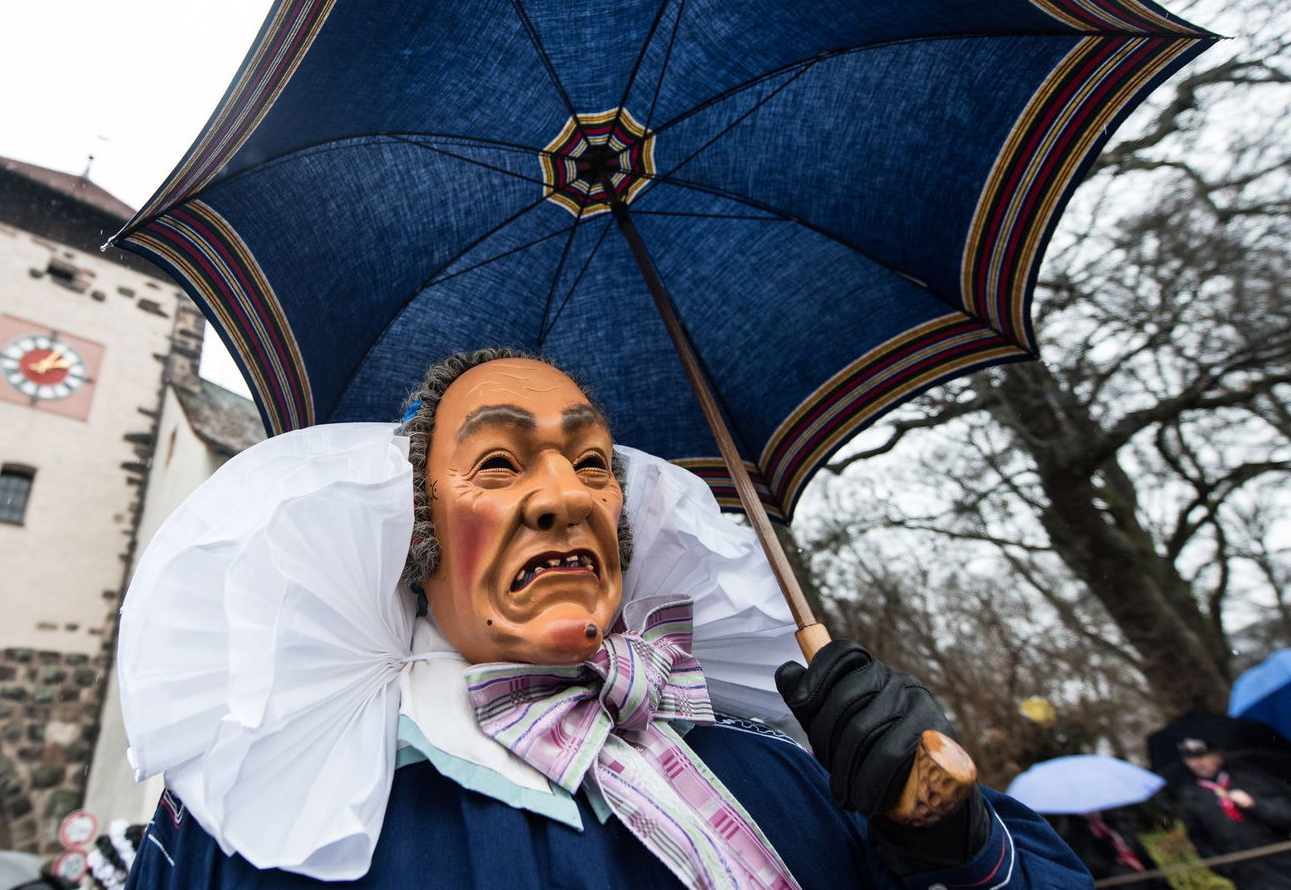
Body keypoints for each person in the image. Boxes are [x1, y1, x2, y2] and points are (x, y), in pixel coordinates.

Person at [119, 350, 1093, 888]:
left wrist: (947, 842)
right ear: (413, 530)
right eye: (497, 464)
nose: (564, 498)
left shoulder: (781, 771)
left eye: (592, 466)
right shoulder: (269, 814)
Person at [1172, 737, 1291, 889]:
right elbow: (1199, 841)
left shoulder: (1248, 778)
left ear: (1217, 755)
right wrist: (1226, 868)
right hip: (1248, 877)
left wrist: (1255, 804)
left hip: (1282, 862)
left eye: (1202, 755)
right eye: (1190, 758)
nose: (1197, 763)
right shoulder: (1191, 798)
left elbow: (1286, 815)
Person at [1053, 811, 1168, 886]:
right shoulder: (1072, 837)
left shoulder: (1116, 823)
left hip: (1146, 880)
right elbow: (1089, 868)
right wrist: (1107, 853)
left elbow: (1142, 855)